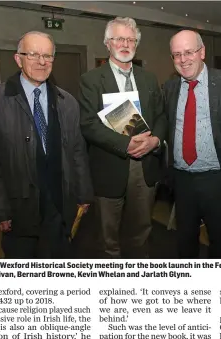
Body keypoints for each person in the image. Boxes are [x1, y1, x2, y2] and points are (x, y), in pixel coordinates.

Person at [0, 31, 93, 258]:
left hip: (60, 207)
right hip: (18, 208)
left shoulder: (67, 102)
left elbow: (77, 153)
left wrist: (83, 195)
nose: (42, 62)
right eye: (33, 55)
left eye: (48, 56)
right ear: (18, 59)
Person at [79, 17, 166, 258]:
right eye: (119, 38)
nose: (125, 44)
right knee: (108, 237)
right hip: (109, 166)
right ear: (107, 43)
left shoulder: (149, 78)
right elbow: (88, 124)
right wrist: (125, 144)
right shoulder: (91, 80)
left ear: (136, 44)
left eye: (130, 39)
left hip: (144, 166)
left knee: (141, 232)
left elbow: (161, 116)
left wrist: (155, 140)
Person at [164, 30, 221, 258]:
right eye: (177, 54)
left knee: (218, 241)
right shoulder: (169, 88)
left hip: (216, 180)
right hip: (181, 179)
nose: (183, 60)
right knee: (185, 241)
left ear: (202, 52)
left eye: (189, 52)